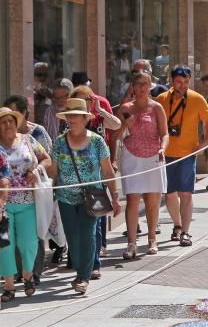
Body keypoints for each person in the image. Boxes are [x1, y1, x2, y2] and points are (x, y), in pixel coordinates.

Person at [50, 99, 120, 294]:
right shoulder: (59, 142)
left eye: (75, 116)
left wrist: (115, 196)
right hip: (65, 197)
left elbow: (107, 171)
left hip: (91, 197)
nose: (71, 120)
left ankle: (83, 276)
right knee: (72, 237)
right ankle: (81, 268)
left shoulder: (97, 142)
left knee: (88, 235)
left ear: (84, 119)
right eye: (68, 116)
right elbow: (53, 171)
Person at [156, 65, 208, 248]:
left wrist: (203, 145)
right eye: (179, 82)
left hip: (188, 154)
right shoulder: (162, 99)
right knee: (170, 194)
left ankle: (186, 232)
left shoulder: (197, 99)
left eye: (186, 82)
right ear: (172, 81)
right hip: (166, 154)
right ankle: (177, 225)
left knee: (186, 193)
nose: (182, 85)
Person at [0, 107, 51, 302]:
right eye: (3, 122)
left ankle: (28, 274)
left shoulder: (28, 140)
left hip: (27, 201)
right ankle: (9, 284)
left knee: (29, 242)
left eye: (10, 121)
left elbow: (47, 159)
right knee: (5, 245)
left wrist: (37, 170)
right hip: (2, 205)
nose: (8, 125)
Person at [118, 70, 168, 259]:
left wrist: (163, 147)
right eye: (138, 84)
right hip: (131, 155)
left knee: (152, 200)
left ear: (150, 86)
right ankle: (131, 243)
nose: (141, 88)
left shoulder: (157, 108)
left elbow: (164, 133)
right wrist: (125, 122)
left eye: (145, 84)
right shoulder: (126, 108)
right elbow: (116, 132)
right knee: (132, 199)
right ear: (132, 86)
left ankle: (152, 238)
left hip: (153, 155)